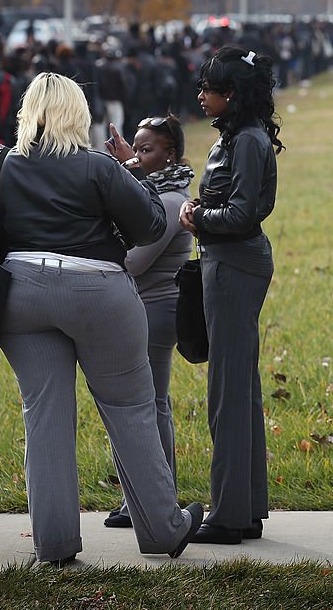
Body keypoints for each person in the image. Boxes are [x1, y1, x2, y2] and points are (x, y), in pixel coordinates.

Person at [0, 73, 203, 565]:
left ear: (27, 112)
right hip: (98, 291)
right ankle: (163, 529)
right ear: (78, 114)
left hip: (22, 292)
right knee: (130, 409)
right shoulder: (97, 166)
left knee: (45, 417)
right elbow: (150, 224)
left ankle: (53, 545)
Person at [178, 47, 281, 545]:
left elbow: (243, 214)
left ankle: (229, 515)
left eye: (209, 88)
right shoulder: (239, 137)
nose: (201, 95)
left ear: (232, 94)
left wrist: (198, 218)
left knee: (228, 393)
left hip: (234, 263)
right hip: (230, 262)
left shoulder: (247, 141)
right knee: (238, 387)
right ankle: (245, 507)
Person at [103, 114, 194, 529]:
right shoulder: (153, 191)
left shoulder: (171, 200)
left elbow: (135, 260)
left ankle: (154, 500)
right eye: (135, 149)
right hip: (148, 307)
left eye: (147, 150)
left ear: (170, 154)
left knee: (151, 405)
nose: (138, 157)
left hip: (158, 309)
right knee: (155, 403)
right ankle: (152, 497)